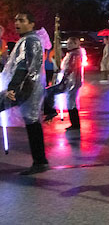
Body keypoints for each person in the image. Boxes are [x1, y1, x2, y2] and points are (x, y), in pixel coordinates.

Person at [0, 12, 49, 175]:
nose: (17, 23)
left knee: (32, 122)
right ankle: (40, 161)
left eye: (21, 20)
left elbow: (24, 66)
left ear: (32, 23)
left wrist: (13, 87)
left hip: (25, 88)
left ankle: (40, 161)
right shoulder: (26, 39)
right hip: (25, 87)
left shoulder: (30, 40)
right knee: (32, 122)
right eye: (15, 20)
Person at [43, 37, 84, 130]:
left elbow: (71, 68)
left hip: (71, 82)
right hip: (70, 81)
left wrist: (63, 74)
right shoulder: (73, 54)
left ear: (76, 44)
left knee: (70, 102)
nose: (68, 45)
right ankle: (74, 124)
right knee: (71, 102)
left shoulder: (75, 55)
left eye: (70, 44)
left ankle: (74, 124)